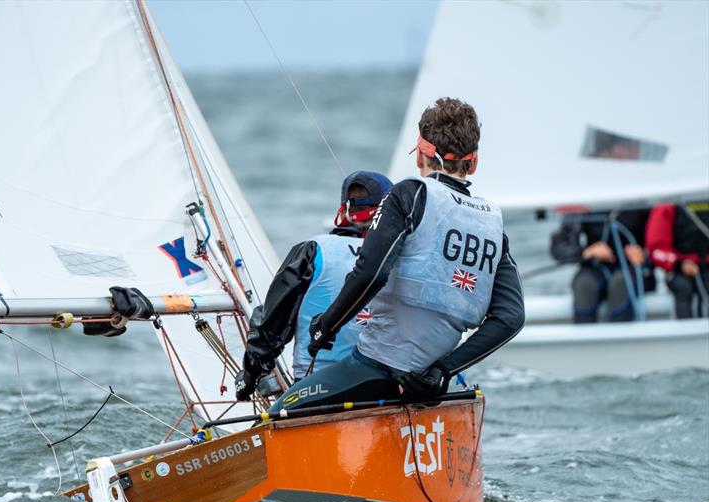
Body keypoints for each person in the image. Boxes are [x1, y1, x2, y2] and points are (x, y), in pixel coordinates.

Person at [267, 97, 525, 413]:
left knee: (279, 412)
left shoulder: (409, 194)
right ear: (473, 163)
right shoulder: (494, 227)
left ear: (420, 156)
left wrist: (326, 326)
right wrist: (442, 370)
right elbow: (510, 318)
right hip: (429, 384)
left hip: (377, 369)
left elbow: (371, 273)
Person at [235, 171, 393, 401]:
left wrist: (251, 375)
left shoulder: (314, 250)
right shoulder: (402, 256)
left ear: (343, 210)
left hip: (318, 388)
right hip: (386, 386)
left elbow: (272, 323)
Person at [549, 209, 655, 323]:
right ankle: (584, 336)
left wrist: (644, 254)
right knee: (584, 285)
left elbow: (665, 240)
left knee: (620, 283)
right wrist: (585, 252)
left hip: (635, 269)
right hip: (595, 268)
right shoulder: (582, 203)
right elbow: (559, 246)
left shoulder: (644, 202)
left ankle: (621, 336)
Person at [646, 201, 709, 318]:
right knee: (682, 287)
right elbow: (656, 248)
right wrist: (679, 264)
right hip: (678, 269)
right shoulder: (667, 205)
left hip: (706, 266)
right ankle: (687, 332)